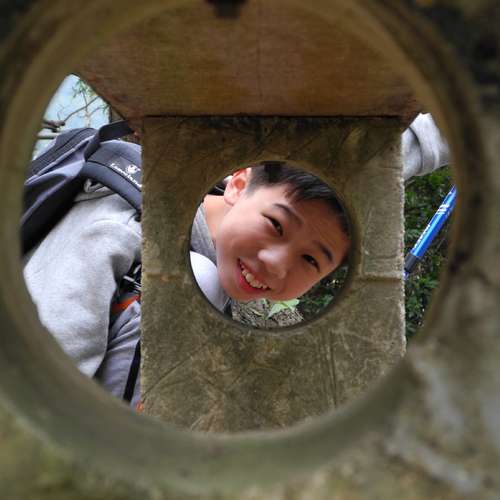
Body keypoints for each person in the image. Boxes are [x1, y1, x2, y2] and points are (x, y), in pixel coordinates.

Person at [23, 113, 449, 408]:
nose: (276, 264)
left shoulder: (218, 252)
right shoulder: (123, 225)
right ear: (238, 183)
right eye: (276, 225)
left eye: (310, 260)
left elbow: (381, 157)